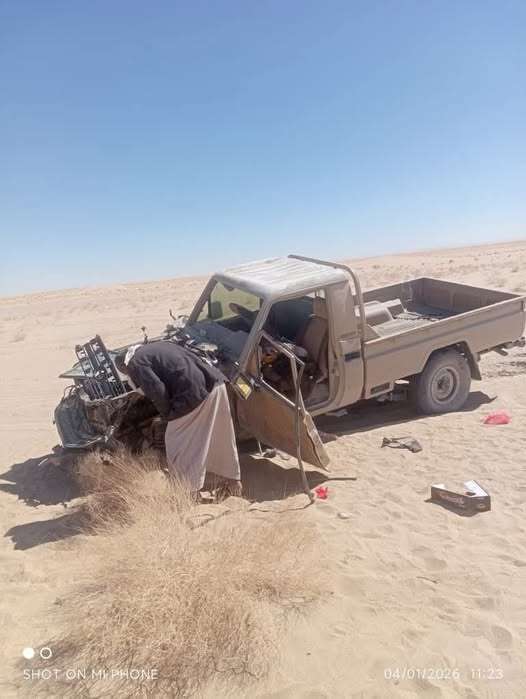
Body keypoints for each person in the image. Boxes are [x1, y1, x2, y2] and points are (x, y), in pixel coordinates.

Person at [115, 341, 241, 497]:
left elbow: (157, 390)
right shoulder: (155, 347)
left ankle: (189, 491)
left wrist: (167, 415)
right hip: (215, 383)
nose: (127, 374)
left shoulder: (135, 364)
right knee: (220, 436)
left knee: (176, 442)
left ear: (124, 365)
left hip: (194, 394)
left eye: (124, 372)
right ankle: (233, 482)